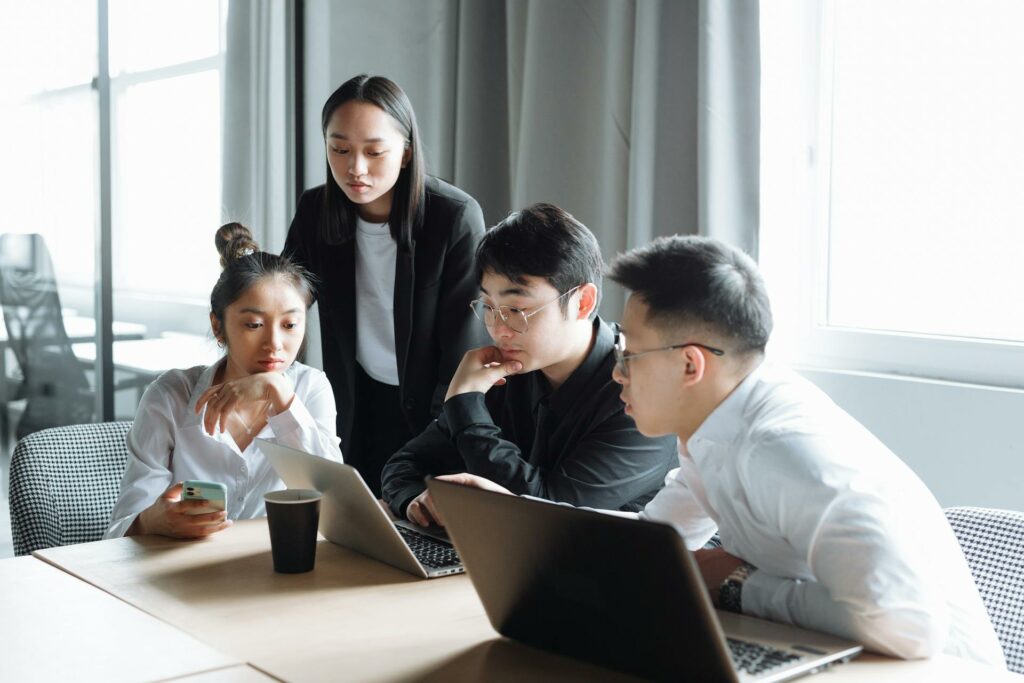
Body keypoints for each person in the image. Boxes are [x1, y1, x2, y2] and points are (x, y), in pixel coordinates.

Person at [429, 235, 1006, 667]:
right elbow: (655, 541)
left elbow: (909, 628)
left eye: (629, 354)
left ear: (690, 363)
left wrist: (737, 585)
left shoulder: (785, 452)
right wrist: (519, 515)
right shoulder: (714, 428)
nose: (618, 373)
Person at [381, 203, 677, 526]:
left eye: (516, 310)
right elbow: (405, 464)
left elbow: (547, 511)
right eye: (489, 307)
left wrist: (466, 407)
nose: (497, 329)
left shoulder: (640, 392)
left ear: (583, 302)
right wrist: (413, 502)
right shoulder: (509, 368)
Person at [283, 74, 487, 497]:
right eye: (339, 149)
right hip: (355, 402)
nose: (355, 168)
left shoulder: (454, 218)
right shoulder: (315, 212)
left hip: (434, 411)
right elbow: (284, 304)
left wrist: (440, 436)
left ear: (407, 151)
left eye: (375, 152)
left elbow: (461, 349)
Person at [105, 224, 343, 539]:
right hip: (184, 574)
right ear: (218, 326)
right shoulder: (171, 396)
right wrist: (152, 520)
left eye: (289, 324)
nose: (274, 343)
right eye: (254, 324)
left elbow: (336, 505)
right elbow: (120, 528)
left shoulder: (311, 389)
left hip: (280, 572)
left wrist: (281, 396)